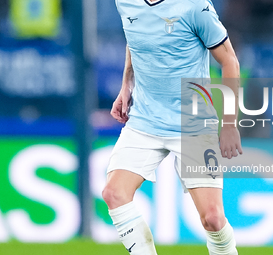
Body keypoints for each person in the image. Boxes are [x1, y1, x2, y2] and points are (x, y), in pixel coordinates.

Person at [102, 0, 243, 254]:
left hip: (193, 123)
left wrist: (230, 124)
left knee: (212, 219)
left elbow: (230, 61)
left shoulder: (195, 6)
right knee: (114, 193)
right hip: (145, 119)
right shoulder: (125, 2)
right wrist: (126, 85)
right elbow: (135, 37)